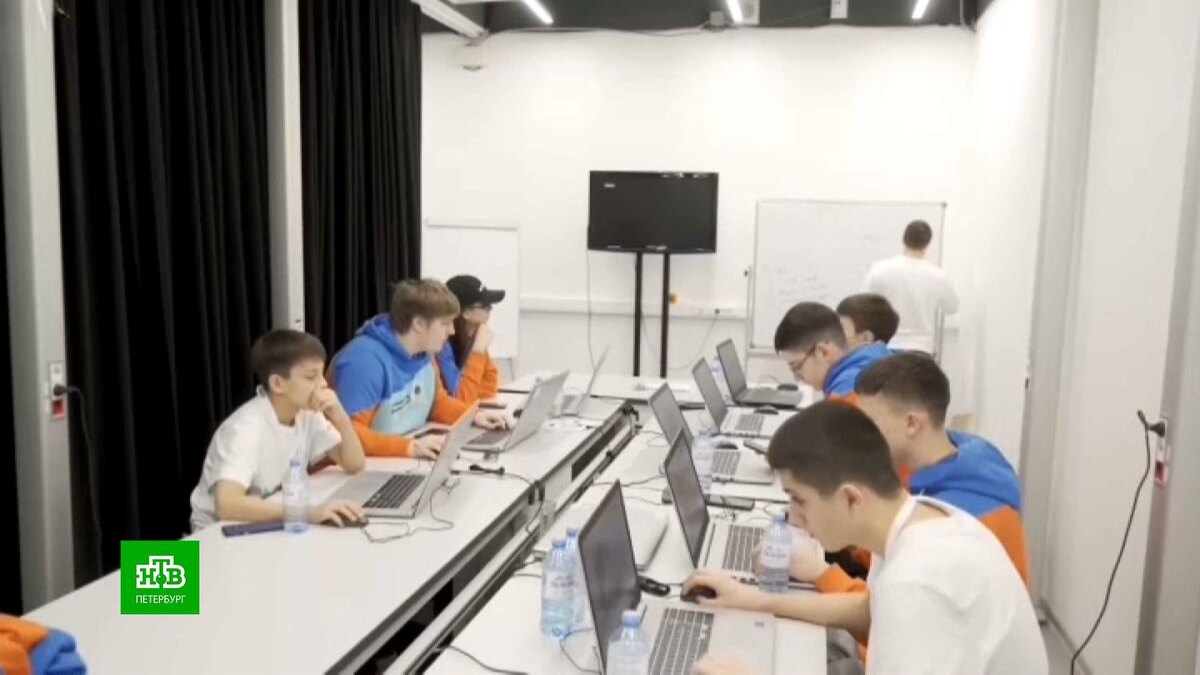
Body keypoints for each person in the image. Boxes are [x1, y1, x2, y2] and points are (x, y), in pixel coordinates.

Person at [686, 402, 1047, 675]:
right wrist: (753, 599)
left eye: (800, 500)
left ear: (851, 499)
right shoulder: (920, 516)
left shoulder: (915, 583)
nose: (794, 517)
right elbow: (867, 612)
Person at [189, 329, 368, 532]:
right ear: (277, 384)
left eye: (322, 373)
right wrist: (305, 513)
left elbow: (354, 464)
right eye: (311, 377)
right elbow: (227, 504)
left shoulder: (307, 413)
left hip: (264, 523)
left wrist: (341, 417)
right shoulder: (245, 428)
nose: (323, 384)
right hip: (214, 532)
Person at [331, 279, 507, 459]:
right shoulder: (363, 362)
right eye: (445, 323)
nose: (452, 331)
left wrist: (474, 416)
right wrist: (409, 448)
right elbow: (347, 434)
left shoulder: (425, 353)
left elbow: (437, 404)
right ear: (419, 324)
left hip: (393, 457)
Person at [863, 220, 959, 356]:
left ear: (904, 240)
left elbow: (864, 303)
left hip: (886, 347)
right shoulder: (938, 276)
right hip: (921, 349)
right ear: (928, 243)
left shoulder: (880, 270)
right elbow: (953, 307)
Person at [774, 302, 891, 405]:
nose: (797, 378)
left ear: (823, 352)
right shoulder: (871, 361)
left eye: (796, 366)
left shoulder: (847, 390)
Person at [436, 275, 503, 404]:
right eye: (486, 306)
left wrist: (480, 350)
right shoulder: (442, 346)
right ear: (466, 313)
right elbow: (463, 399)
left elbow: (490, 386)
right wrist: (478, 352)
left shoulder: (473, 337)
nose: (490, 311)